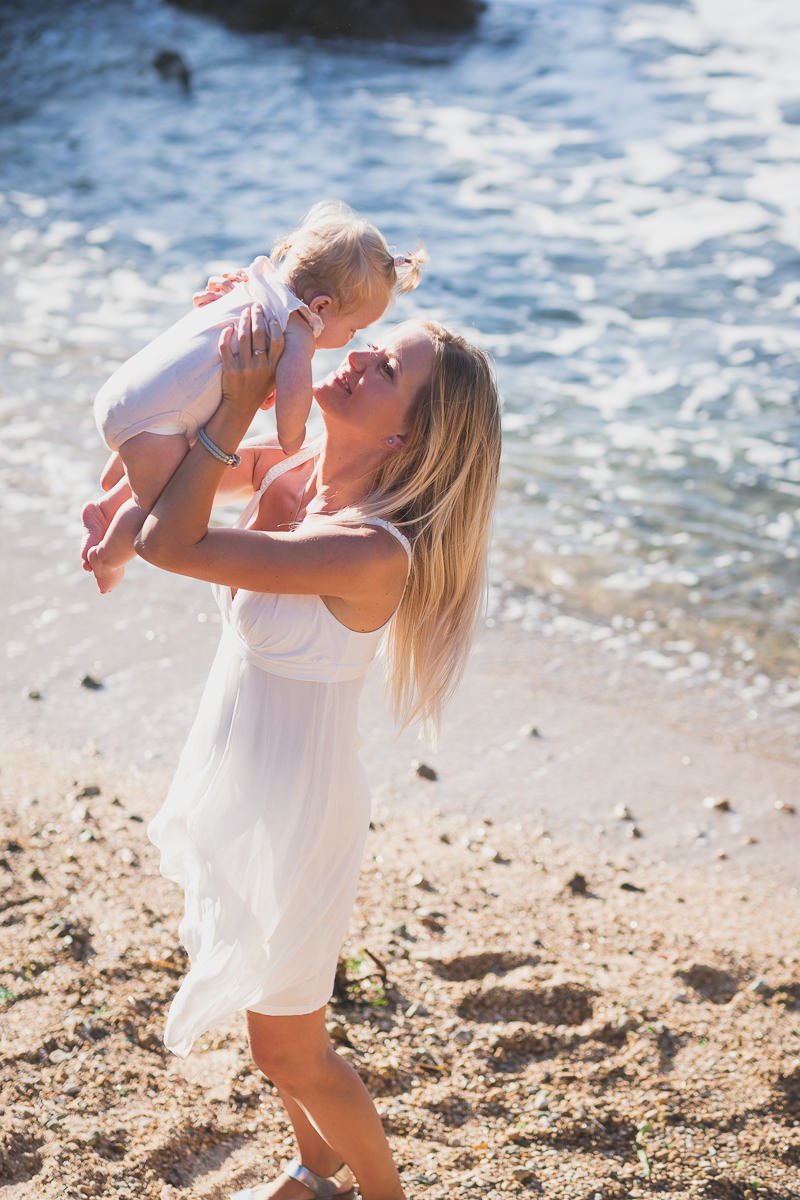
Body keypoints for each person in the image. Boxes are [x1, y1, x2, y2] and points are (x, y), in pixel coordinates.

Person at [134, 300, 501, 1200]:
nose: (361, 359)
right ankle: (316, 1164)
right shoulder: (299, 474)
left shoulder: (369, 550)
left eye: (385, 370)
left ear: (406, 440)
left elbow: (166, 541)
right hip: (246, 787)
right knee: (280, 1024)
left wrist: (240, 402)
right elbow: (149, 465)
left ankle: (381, 1194)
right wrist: (226, 322)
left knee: (285, 1042)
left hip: (297, 815)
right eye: (375, 346)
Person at [81, 200, 425, 593]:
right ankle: (107, 558)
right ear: (321, 307)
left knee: (169, 454)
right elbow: (295, 394)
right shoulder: (296, 327)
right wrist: (292, 436)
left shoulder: (249, 283)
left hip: (130, 391)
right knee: (157, 504)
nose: (352, 345)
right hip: (154, 419)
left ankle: (105, 505)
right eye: (353, 329)